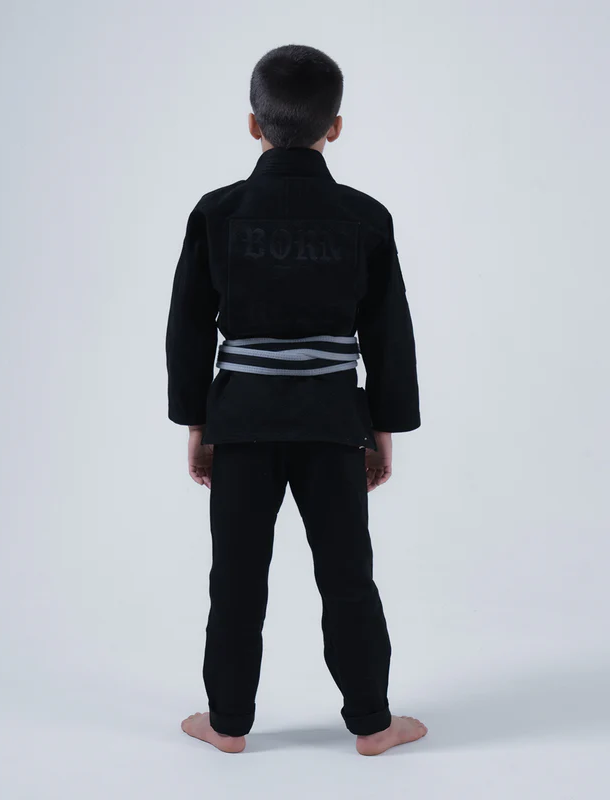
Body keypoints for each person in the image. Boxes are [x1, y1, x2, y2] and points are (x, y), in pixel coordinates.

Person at [166, 44, 427, 756]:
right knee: (348, 577)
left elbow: (188, 329)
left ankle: (227, 723)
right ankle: (373, 724)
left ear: (254, 124)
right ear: (334, 126)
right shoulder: (365, 216)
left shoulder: (217, 213)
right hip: (333, 422)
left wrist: (198, 423)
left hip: (241, 421)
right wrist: (380, 429)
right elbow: (388, 334)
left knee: (236, 578)